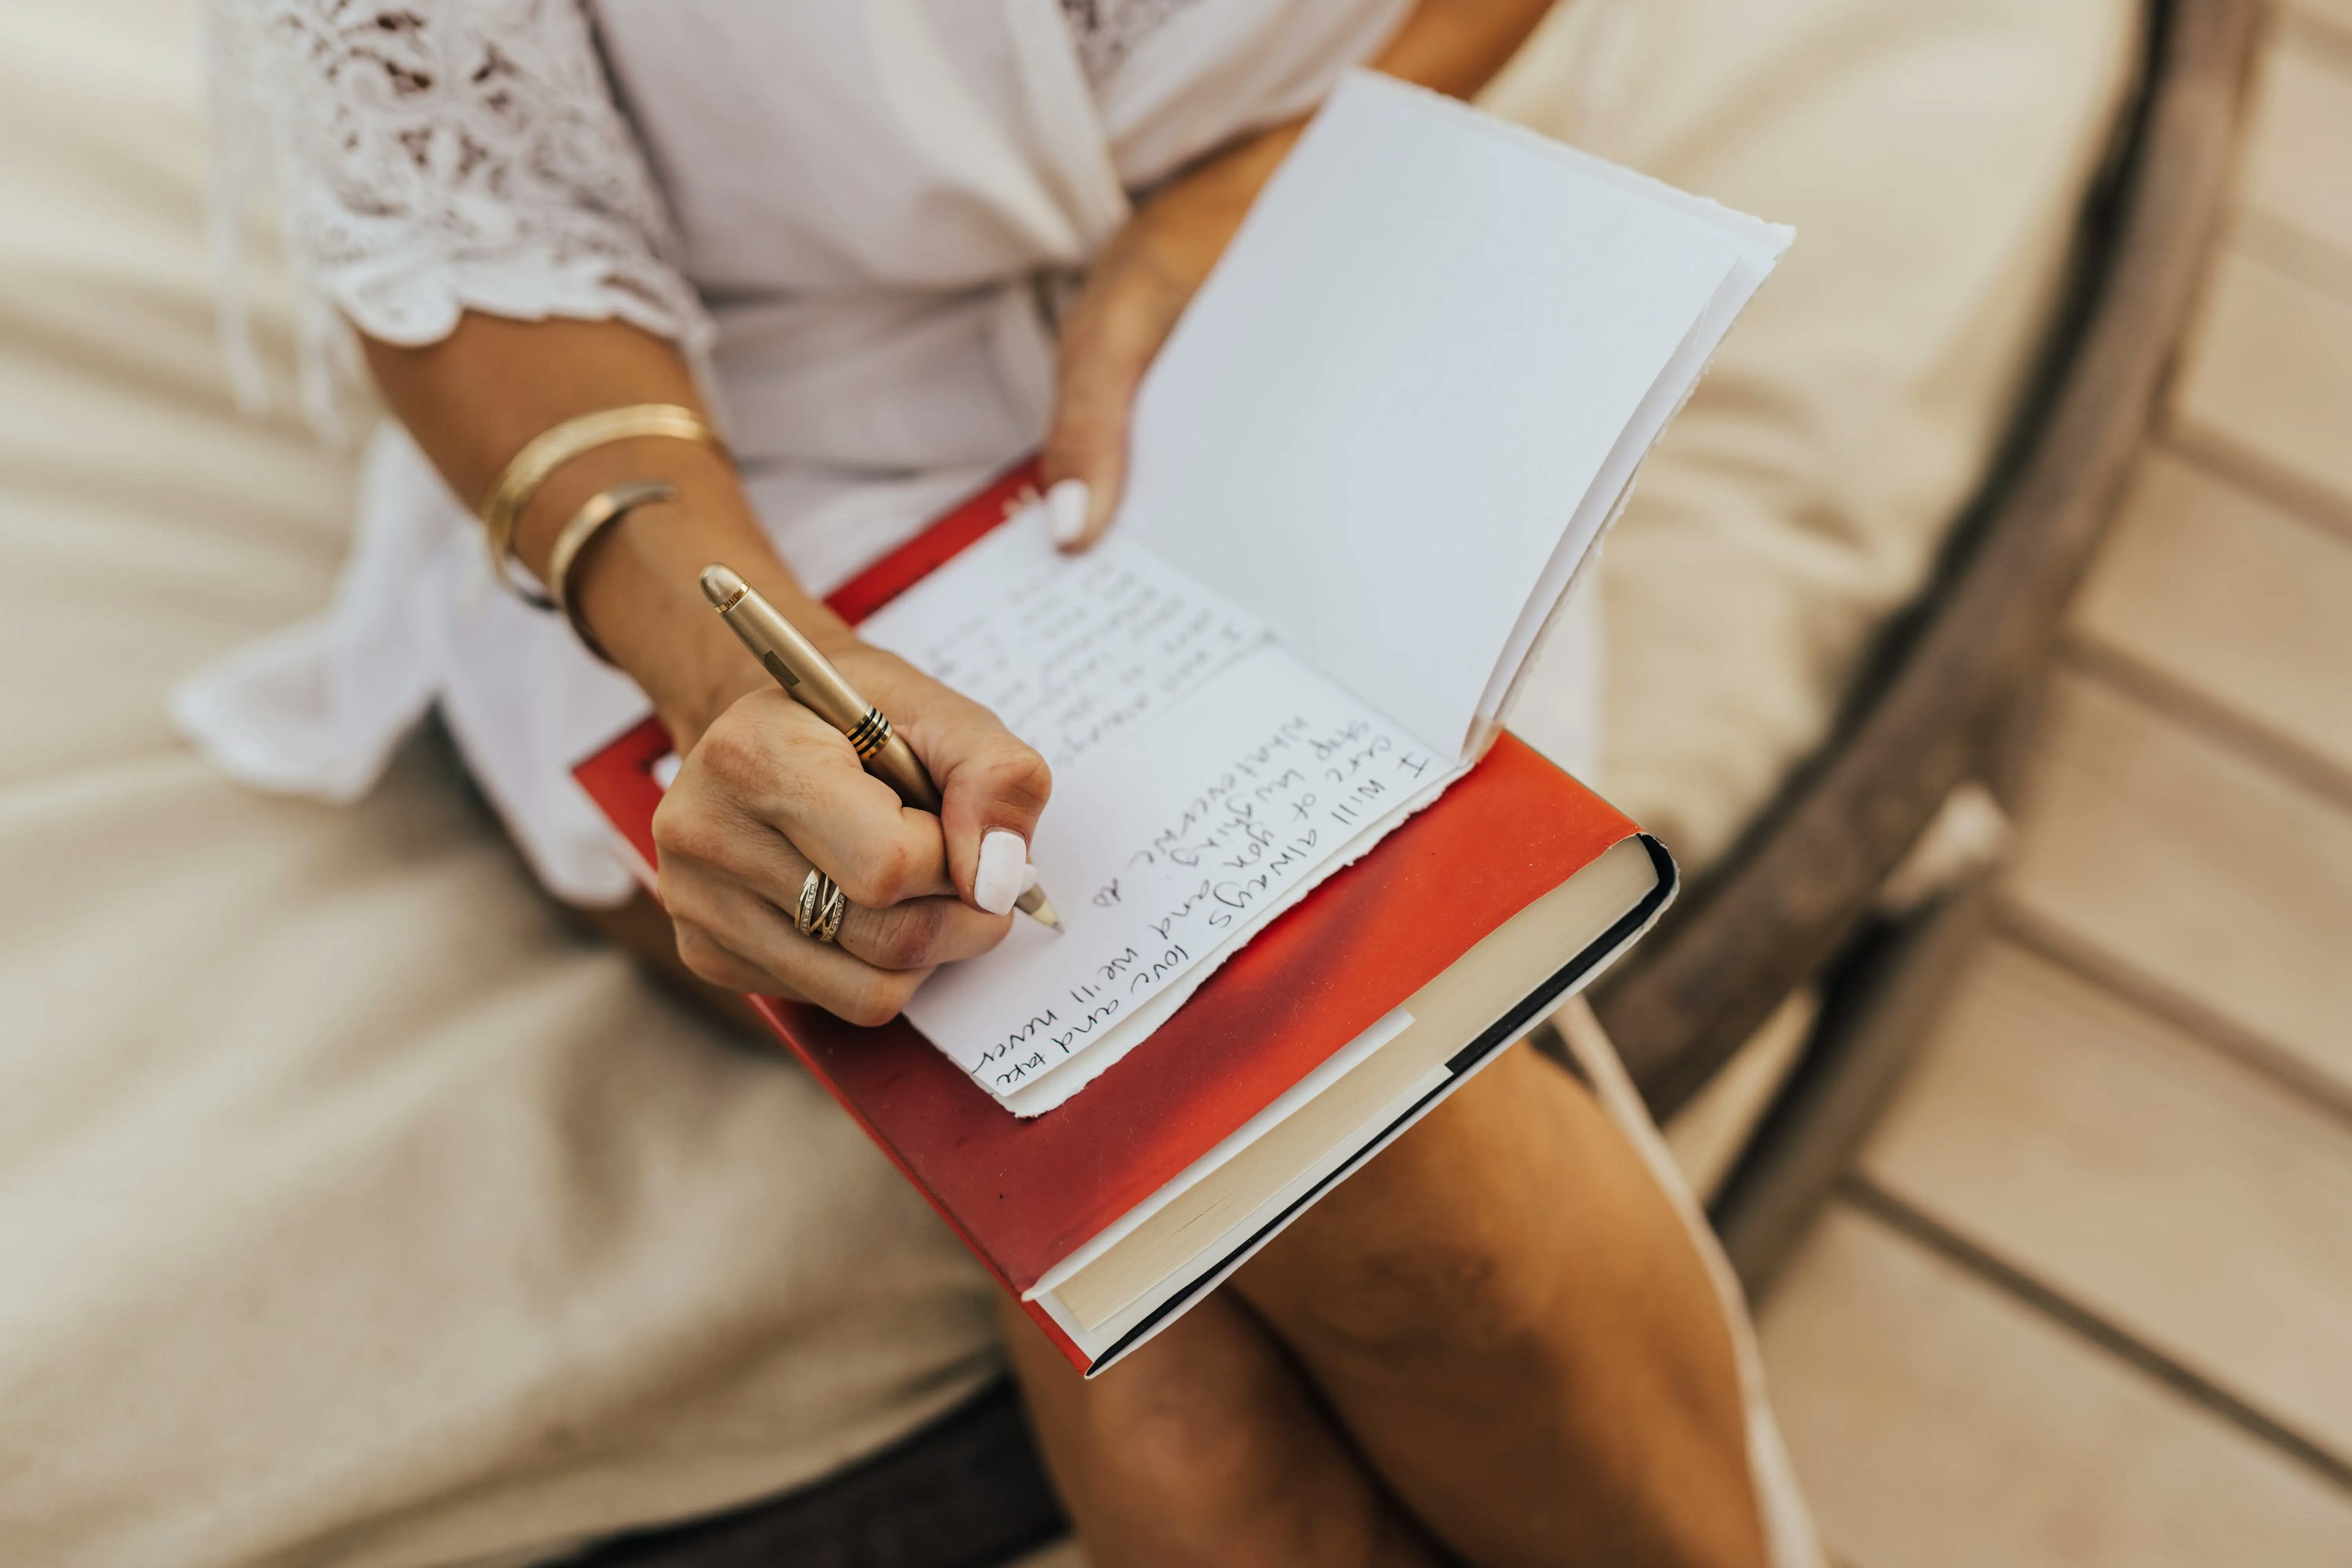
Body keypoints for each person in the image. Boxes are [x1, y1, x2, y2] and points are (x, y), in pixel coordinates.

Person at [191, 2, 1809, 1563]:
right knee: (1235, 1317)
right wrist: (725, 675)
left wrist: (1265, 186)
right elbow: (475, 222)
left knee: (1329, 1194)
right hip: (724, 461)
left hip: (1298, 282)